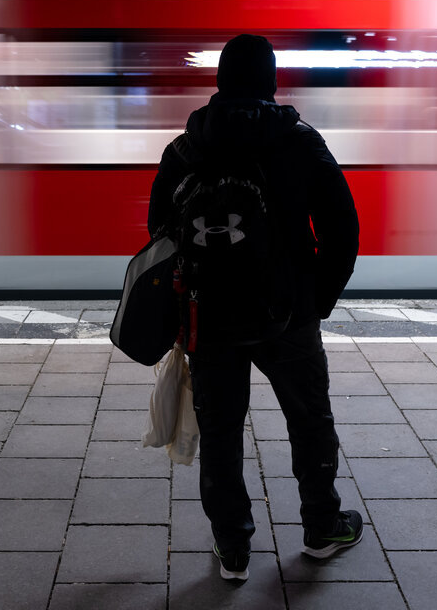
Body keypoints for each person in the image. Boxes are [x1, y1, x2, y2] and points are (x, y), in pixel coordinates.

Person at [147, 34, 361, 581]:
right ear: (271, 80)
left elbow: (159, 232)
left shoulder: (185, 148)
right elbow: (343, 226)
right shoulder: (300, 141)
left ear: (219, 81)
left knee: (220, 430)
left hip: (209, 314)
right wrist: (319, 299)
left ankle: (233, 548)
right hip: (289, 312)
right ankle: (321, 527)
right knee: (309, 418)